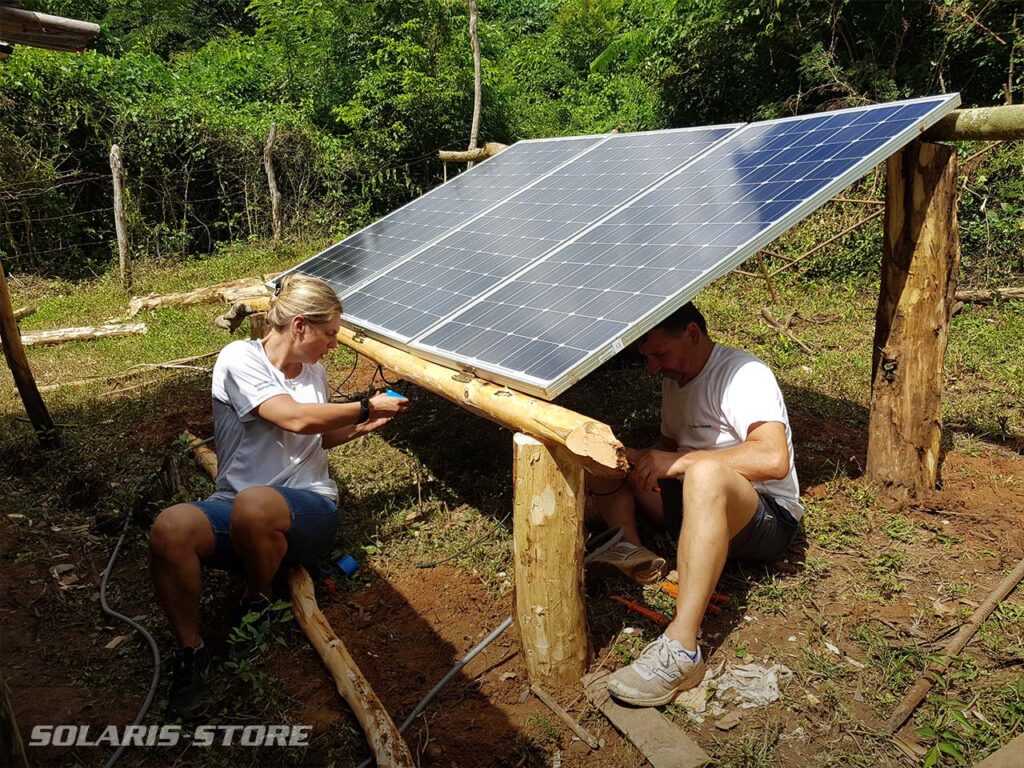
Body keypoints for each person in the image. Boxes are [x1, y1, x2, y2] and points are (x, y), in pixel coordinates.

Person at [148, 274, 409, 716]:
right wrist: (365, 405)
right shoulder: (239, 358)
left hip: (309, 508)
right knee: (169, 528)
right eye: (329, 334)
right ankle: (190, 651)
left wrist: (357, 426)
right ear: (301, 325)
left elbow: (317, 435)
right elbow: (291, 418)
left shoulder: (315, 372)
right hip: (236, 506)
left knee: (256, 505)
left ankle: (257, 597)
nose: (333, 345)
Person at [587, 302, 802, 707]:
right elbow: (671, 446)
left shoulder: (743, 374)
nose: (652, 367)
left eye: (658, 355)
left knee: (703, 473)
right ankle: (630, 551)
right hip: (697, 503)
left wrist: (683, 463)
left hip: (765, 517)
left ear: (691, 333)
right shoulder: (676, 377)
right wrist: (637, 457)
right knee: (605, 456)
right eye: (646, 358)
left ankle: (682, 648)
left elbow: (773, 460)